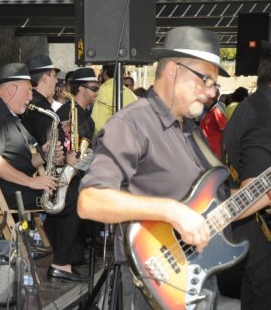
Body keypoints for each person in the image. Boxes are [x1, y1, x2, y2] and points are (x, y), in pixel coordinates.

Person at [77, 27, 237, 310]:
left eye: (213, 84)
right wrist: (172, 211)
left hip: (199, 277)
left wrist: (256, 194)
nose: (211, 92)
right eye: (205, 80)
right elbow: (90, 200)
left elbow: (214, 208)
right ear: (174, 70)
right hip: (154, 284)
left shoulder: (191, 131)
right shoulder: (132, 124)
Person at [0, 62, 89, 282]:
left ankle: (63, 260)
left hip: (10, 186)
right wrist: (32, 182)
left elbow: (18, 160)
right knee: (75, 196)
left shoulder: (5, 115)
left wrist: (44, 155)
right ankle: (62, 264)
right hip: (3, 191)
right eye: (28, 91)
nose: (30, 97)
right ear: (11, 89)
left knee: (71, 192)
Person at [222, 42, 271, 310]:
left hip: (250, 239)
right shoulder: (264, 118)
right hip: (260, 236)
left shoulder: (254, 105)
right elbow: (250, 195)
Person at [56, 67, 100, 152]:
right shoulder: (66, 112)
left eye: (98, 89)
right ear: (81, 89)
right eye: (94, 89)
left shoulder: (87, 116)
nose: (97, 93)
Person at [91, 63, 137, 138]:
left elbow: (97, 124)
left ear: (105, 73)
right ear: (123, 74)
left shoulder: (102, 90)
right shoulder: (131, 94)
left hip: (108, 141)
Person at [199, 89, 227, 158]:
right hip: (207, 149)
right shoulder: (210, 110)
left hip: (214, 152)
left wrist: (224, 147)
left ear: (210, 99)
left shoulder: (216, 111)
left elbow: (225, 130)